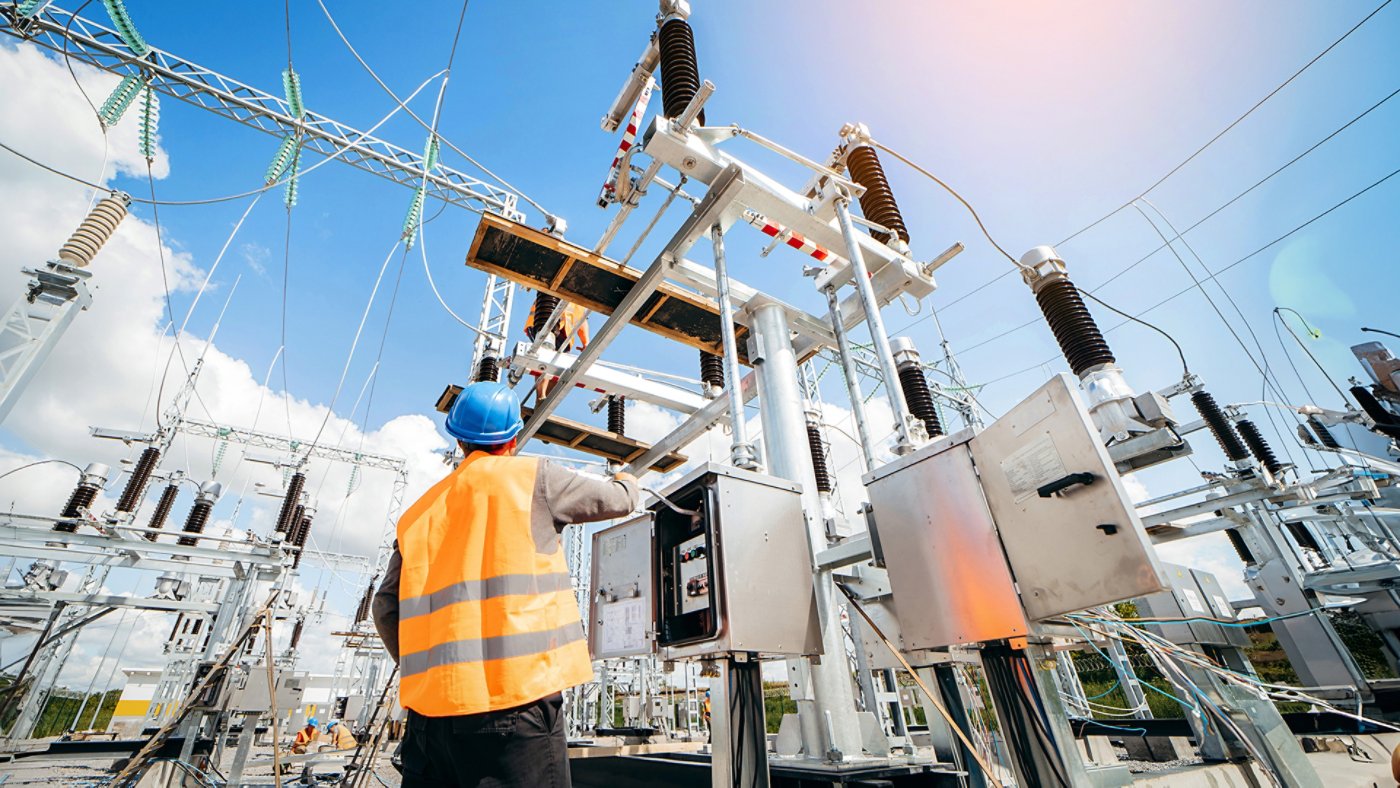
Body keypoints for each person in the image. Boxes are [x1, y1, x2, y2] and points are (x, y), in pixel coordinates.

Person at [372, 381, 639, 787]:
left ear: (458, 438)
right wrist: (627, 478)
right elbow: (618, 500)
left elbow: (386, 607)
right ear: (513, 437)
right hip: (515, 707)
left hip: (428, 720)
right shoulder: (535, 478)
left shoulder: (417, 513)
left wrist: (427, 675)